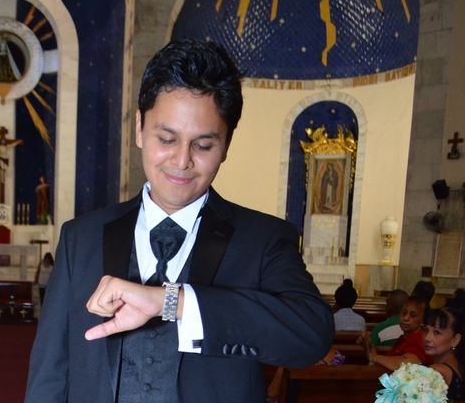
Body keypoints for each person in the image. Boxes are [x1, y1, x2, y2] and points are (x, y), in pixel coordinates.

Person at [25, 40, 334, 403]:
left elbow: (311, 337)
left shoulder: (263, 239)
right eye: (167, 139)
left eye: (203, 145)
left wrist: (173, 301)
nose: (182, 161)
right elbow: (49, 374)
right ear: (140, 127)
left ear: (226, 144)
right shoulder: (81, 237)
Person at [367, 295, 432, 370]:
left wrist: (375, 357)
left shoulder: (419, 339)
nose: (406, 318)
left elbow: (406, 365)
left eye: (413, 315)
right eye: (404, 313)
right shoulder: (405, 337)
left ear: (423, 321)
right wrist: (369, 345)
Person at [424, 307, 465, 400]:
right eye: (426, 330)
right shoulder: (458, 365)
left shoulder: (437, 371)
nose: (427, 338)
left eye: (436, 332)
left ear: (455, 340)